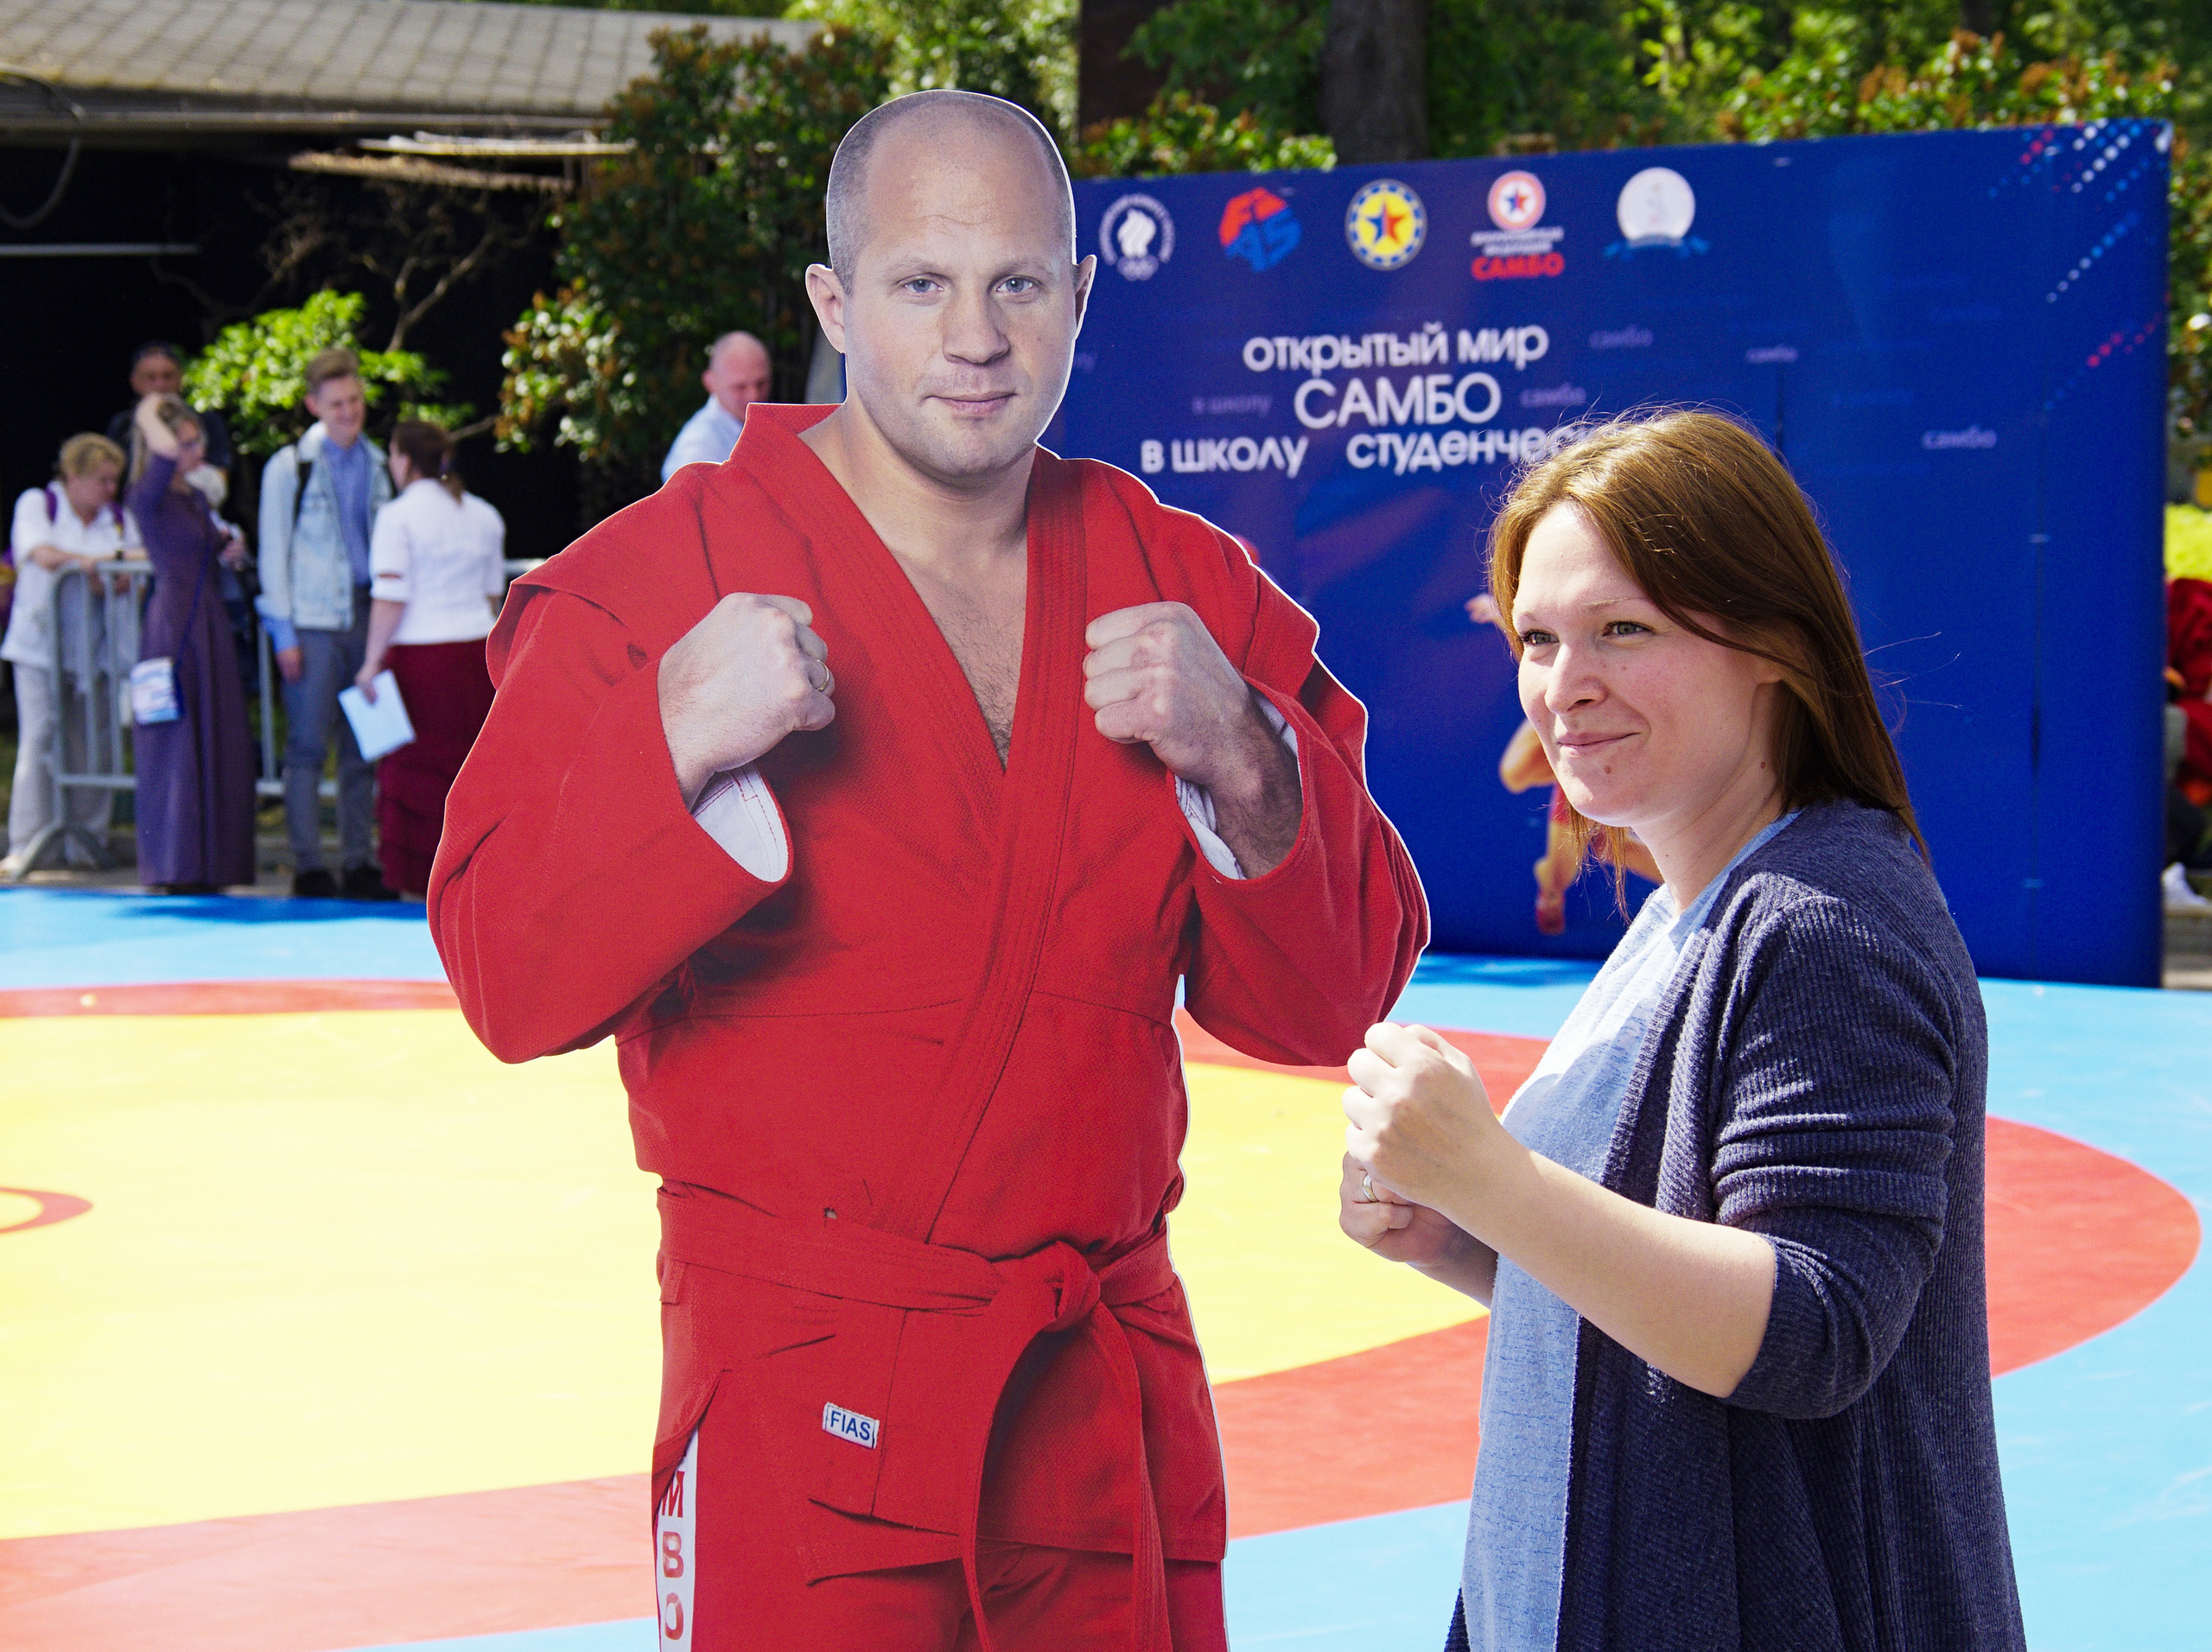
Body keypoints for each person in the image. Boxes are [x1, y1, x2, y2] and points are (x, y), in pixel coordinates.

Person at [432, 89, 1427, 1650]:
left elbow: (1331, 1001)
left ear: (1079, 300)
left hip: (1103, 1399)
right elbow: (503, 972)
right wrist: (667, 742)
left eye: (1020, 282)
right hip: (793, 1395)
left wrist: (1248, 753)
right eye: (921, 283)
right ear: (835, 304)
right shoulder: (660, 581)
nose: (977, 335)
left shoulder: (1184, 585)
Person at [1341, 411, 2024, 1652]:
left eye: (1623, 631)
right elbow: (1655, 1301)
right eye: (1538, 639)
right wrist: (1461, 1228)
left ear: (1770, 641)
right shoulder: (1687, 912)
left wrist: (1497, 1175)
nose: (1563, 684)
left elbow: (1812, 1329)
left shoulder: (1823, 926)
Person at [257, 346, 395, 900]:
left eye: (355, 400)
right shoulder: (289, 466)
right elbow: (273, 553)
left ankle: (361, 862)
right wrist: (283, 633)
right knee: (309, 747)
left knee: (368, 746)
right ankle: (310, 864)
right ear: (314, 405)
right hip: (312, 621)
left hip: (367, 613)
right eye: (336, 403)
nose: (348, 411)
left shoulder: (381, 462)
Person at [353, 421, 505, 900]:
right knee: (473, 770)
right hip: (475, 656)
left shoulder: (397, 517)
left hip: (421, 661)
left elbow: (391, 596)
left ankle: (421, 883)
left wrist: (370, 661)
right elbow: (491, 595)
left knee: (417, 771)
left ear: (402, 459)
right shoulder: (484, 514)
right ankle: (478, 878)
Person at [127, 395, 256, 895]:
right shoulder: (148, 494)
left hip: (208, 620)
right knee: (175, 739)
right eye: (184, 442)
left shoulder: (195, 497)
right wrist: (148, 410)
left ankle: (211, 863)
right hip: (174, 625)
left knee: (217, 735)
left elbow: (209, 550)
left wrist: (231, 552)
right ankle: (174, 864)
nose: (194, 449)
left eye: (196, 439)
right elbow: (158, 452)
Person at [3, 435, 137, 875]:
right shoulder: (38, 504)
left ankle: (88, 840)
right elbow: (41, 554)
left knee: (92, 745)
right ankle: (28, 843)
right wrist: (97, 565)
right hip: (39, 648)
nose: (109, 489)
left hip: (94, 649)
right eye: (102, 480)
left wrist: (98, 564)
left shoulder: (115, 518)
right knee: (39, 739)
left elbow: (140, 554)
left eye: (114, 480)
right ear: (74, 476)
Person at [658, 330, 774, 483]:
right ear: (710, 382)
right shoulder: (697, 451)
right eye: (739, 387)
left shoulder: (765, 426)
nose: (754, 396)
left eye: (761, 383)